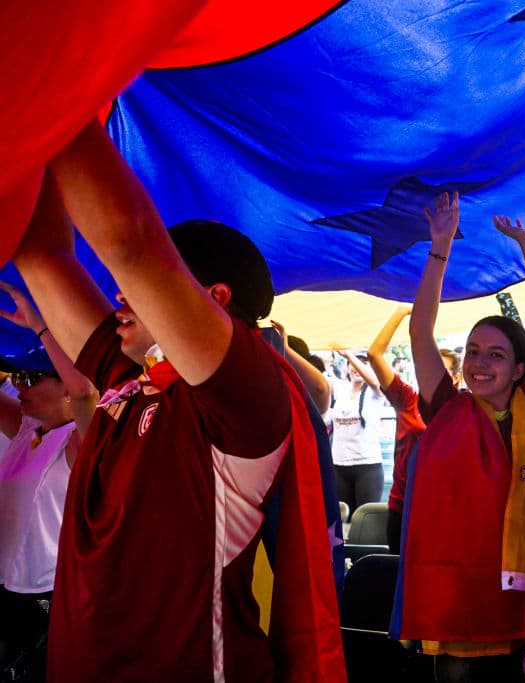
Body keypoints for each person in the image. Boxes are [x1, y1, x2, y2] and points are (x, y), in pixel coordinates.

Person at [12, 122, 343, 681]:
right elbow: (41, 254)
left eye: (148, 286)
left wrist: (63, 94)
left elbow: (130, 245)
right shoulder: (128, 379)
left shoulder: (246, 394)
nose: (120, 293)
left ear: (214, 300)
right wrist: (26, 125)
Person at [395, 197, 525, 682]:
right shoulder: (447, 408)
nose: (479, 363)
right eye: (473, 351)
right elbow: (419, 331)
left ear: (519, 369)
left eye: (495, 354)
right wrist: (439, 247)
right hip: (460, 596)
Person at [0, 283, 96, 682]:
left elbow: (87, 393)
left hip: (44, 595)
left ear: (66, 390)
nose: (19, 386)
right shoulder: (27, 428)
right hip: (5, 588)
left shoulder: (79, 442)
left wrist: (42, 327)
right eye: (18, 377)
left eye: (31, 377)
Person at [365, 304, 463, 553]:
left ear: (456, 378)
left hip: (444, 510)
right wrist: (400, 312)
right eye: (424, 367)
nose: (429, 375)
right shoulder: (407, 400)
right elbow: (374, 354)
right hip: (403, 507)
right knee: (399, 572)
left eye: (441, 371)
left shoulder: (466, 411)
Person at [330, 348, 387, 511]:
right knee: (342, 519)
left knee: (364, 519)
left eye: (363, 364)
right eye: (353, 364)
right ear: (347, 367)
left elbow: (375, 382)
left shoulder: (375, 392)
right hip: (339, 465)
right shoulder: (340, 389)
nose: (357, 368)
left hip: (367, 466)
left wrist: (349, 355)